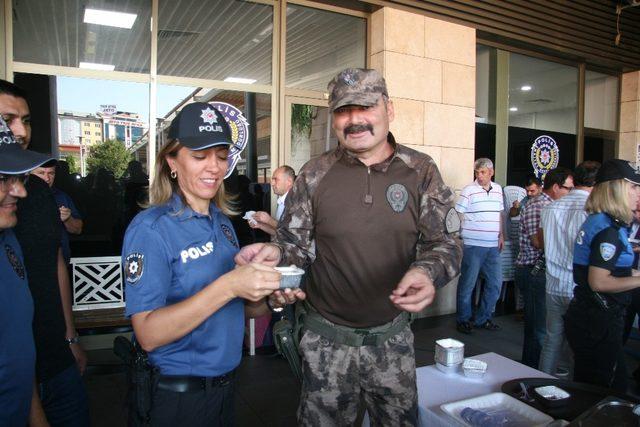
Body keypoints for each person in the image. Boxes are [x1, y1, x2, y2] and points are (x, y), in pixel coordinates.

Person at [236, 68, 461, 425]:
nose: (354, 120)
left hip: (393, 340)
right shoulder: (314, 173)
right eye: (343, 110)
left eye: (365, 107)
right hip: (326, 343)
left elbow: (445, 243)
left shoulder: (420, 171)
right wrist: (275, 253)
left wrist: (425, 271)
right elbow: (294, 243)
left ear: (389, 108)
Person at [122, 102, 291, 426]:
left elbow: (239, 310)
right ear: (171, 161)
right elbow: (148, 334)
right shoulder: (151, 229)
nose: (214, 167)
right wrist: (228, 285)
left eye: (221, 155)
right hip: (175, 399)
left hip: (225, 389)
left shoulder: (222, 224)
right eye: (200, 156)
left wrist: (267, 295)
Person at [1, 79, 90, 426]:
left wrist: (71, 336)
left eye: (26, 120)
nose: (21, 131)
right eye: (8, 120)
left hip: (56, 356)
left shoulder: (36, 190)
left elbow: (55, 261)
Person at [565, 159, 640, 392]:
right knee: (604, 391)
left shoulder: (603, 222)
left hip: (592, 317)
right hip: (598, 320)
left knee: (592, 387)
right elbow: (598, 281)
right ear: (617, 189)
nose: (638, 193)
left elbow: (614, 268)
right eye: (633, 187)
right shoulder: (607, 229)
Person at [0, 116, 54, 426]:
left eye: (17, 177)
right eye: (3, 178)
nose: (19, 191)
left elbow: (15, 348)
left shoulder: (8, 240)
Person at [538, 161, 599, 376]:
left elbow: (542, 242)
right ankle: (576, 393)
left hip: (553, 283)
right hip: (577, 286)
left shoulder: (550, 208)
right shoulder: (592, 210)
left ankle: (541, 384)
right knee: (579, 345)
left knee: (552, 341)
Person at [515, 167, 574, 368]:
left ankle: (537, 368)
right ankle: (531, 372)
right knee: (537, 328)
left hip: (541, 271)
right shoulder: (538, 206)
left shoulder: (552, 206)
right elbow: (537, 243)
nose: (570, 193)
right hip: (532, 270)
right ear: (556, 187)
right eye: (568, 188)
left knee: (543, 327)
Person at [455, 158, 504, 334]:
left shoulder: (498, 189)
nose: (480, 175)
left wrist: (501, 235)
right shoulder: (469, 190)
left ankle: (483, 318)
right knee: (468, 283)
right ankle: (463, 319)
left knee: (495, 283)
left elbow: (499, 213)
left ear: (491, 172)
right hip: (473, 244)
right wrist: (461, 236)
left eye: (483, 172)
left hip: (492, 245)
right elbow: (458, 214)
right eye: (477, 172)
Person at [31, 160, 83, 262]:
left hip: (60, 262)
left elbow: (78, 229)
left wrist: (67, 219)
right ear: (29, 174)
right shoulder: (19, 198)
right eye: (41, 173)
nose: (47, 178)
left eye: (51, 173)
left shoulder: (61, 197)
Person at [249, 165, 295, 236]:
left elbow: (293, 234)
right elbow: (280, 233)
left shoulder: (297, 202)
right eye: (272, 180)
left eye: (276, 179)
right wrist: (260, 225)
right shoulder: (282, 201)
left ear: (289, 181)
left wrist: (269, 220)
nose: (272, 183)